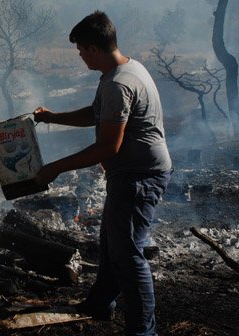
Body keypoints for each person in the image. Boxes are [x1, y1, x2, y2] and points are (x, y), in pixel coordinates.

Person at [33, 11, 171, 336]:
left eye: (81, 50)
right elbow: (98, 115)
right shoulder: (124, 70)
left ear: (93, 49)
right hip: (132, 174)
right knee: (111, 245)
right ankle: (100, 303)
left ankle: (142, 331)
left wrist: (54, 168)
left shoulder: (118, 84)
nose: (80, 55)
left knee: (129, 257)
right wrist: (53, 117)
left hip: (139, 177)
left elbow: (108, 147)